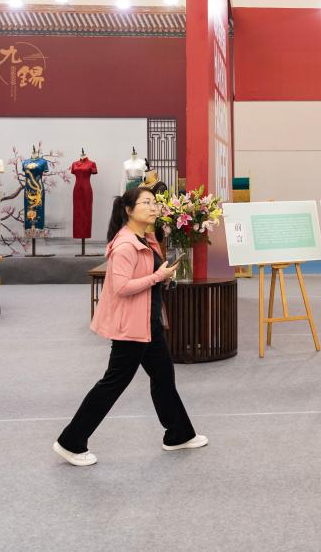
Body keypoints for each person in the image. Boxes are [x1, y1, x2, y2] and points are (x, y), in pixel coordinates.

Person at [53, 187, 206, 467]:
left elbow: (147, 276)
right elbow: (121, 287)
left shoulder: (145, 239)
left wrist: (162, 276)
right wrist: (157, 276)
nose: (153, 207)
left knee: (163, 376)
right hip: (132, 327)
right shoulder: (125, 245)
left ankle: (178, 434)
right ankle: (71, 441)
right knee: (114, 383)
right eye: (146, 203)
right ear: (128, 210)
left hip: (149, 323)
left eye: (154, 203)